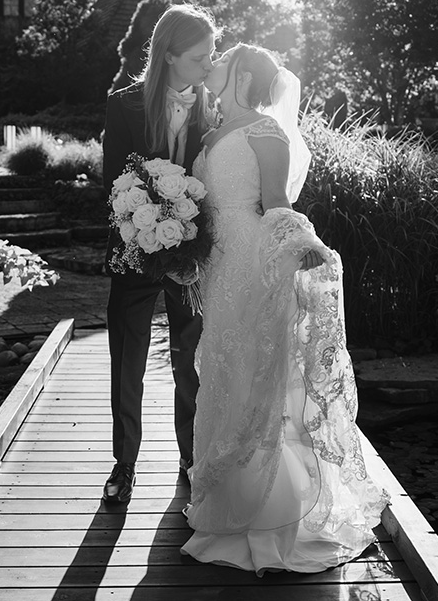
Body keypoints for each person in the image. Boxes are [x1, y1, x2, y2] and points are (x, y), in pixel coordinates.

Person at [181, 43, 390, 574]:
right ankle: (226, 503)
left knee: (258, 372)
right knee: (224, 370)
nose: (213, 63)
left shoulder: (264, 132)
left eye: (222, 58)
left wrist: (304, 244)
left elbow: (277, 202)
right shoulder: (207, 135)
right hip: (220, 266)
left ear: (243, 73)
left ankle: (271, 513)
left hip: (255, 261)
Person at [101, 4, 218, 504]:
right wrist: (142, 226)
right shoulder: (123, 104)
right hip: (136, 248)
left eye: (212, 55)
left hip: (190, 256)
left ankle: (190, 458)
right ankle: (123, 465)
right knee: (128, 359)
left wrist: (189, 233)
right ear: (169, 55)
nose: (210, 66)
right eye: (200, 57)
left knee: (188, 359)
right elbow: (112, 184)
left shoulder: (214, 105)